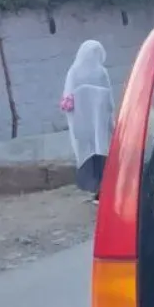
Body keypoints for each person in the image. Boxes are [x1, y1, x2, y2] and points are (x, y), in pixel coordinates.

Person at [60, 40, 114, 199]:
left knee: (93, 151)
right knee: (97, 150)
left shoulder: (77, 72)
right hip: (95, 123)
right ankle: (98, 187)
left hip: (86, 122)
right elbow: (109, 99)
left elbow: (68, 98)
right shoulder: (95, 72)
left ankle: (96, 187)